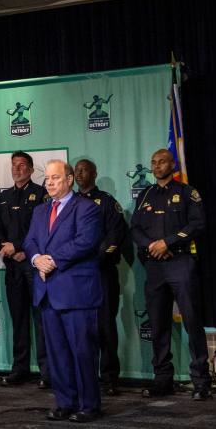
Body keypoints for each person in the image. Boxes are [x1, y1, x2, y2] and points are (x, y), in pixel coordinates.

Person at [24, 160, 103, 423]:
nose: (49, 182)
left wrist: (51, 260)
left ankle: (88, 405)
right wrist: (36, 259)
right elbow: (30, 241)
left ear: (69, 179)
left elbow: (85, 241)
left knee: (82, 351)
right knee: (56, 352)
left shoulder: (87, 208)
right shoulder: (39, 211)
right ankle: (65, 402)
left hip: (77, 292)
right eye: (46, 178)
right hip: (48, 292)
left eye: (55, 178)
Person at [131, 149, 209, 400]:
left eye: (161, 161)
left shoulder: (187, 192)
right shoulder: (145, 195)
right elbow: (135, 228)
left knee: (192, 321)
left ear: (172, 164)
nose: (156, 166)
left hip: (181, 262)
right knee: (157, 324)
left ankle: (201, 381)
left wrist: (168, 243)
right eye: (152, 162)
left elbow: (197, 224)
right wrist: (152, 246)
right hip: (154, 266)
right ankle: (162, 379)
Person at [0, 151, 49, 388]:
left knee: (41, 320)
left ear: (31, 169)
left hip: (33, 266)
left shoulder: (41, 194)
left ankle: (47, 372)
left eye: (22, 165)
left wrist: (20, 247)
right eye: (14, 165)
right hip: (13, 267)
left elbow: (42, 229)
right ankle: (20, 368)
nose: (17, 169)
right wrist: (8, 248)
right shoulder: (3, 196)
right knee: (18, 320)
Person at [74, 159, 127, 396]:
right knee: (79, 330)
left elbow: (116, 236)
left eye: (84, 170)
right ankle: (83, 377)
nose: (79, 173)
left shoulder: (106, 202)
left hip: (100, 272)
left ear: (94, 173)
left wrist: (95, 259)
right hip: (75, 277)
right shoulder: (69, 203)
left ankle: (108, 378)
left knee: (105, 326)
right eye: (76, 170)